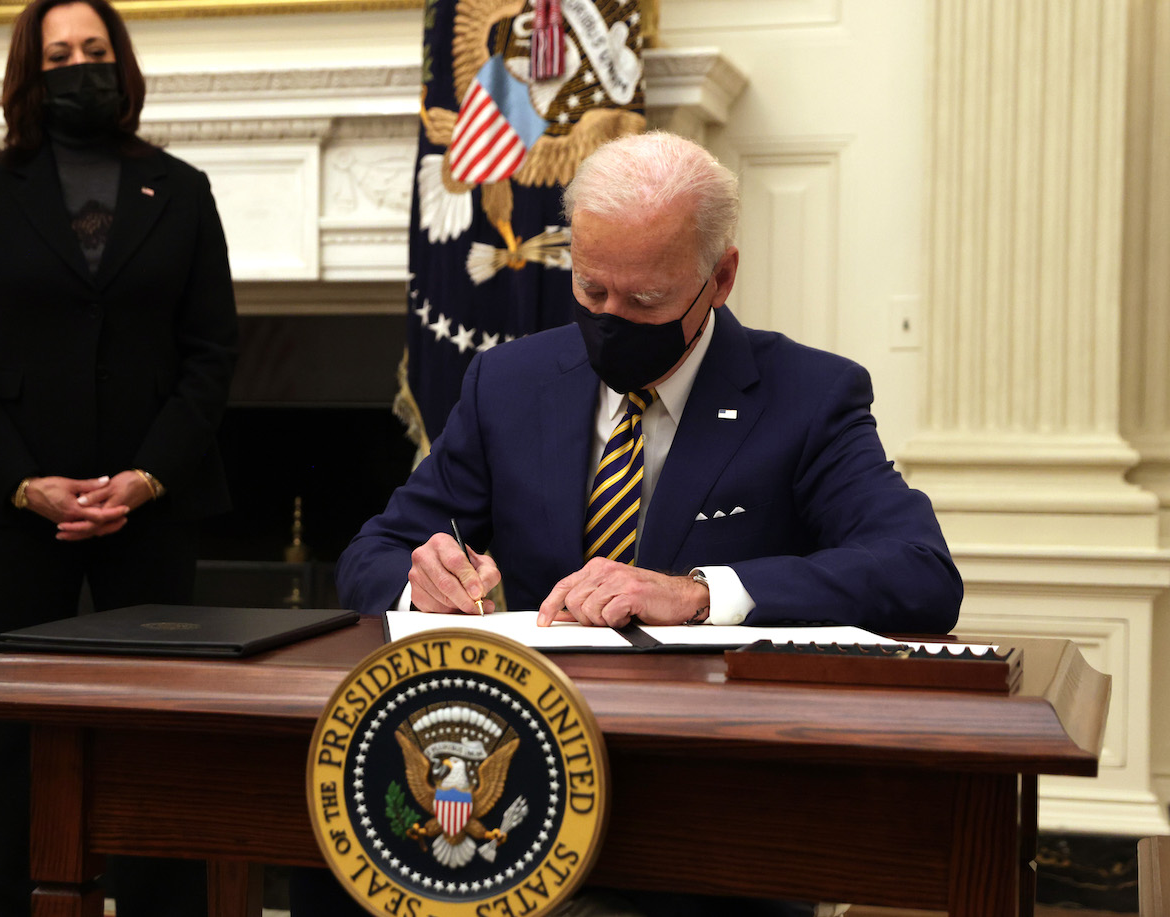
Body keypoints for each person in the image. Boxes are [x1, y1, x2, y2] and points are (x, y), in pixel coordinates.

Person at [302, 131, 962, 917]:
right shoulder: (508, 383)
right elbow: (372, 552)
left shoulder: (807, 397)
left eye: (644, 301)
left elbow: (920, 570)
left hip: (709, 805)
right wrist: (426, 583)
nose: (612, 319)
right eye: (591, 292)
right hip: (514, 776)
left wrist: (698, 593)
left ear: (720, 278)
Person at [0, 0, 236, 913]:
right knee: (18, 732)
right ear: (32, 71)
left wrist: (142, 478)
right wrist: (27, 485)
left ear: (122, 63)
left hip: (157, 499)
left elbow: (212, 355)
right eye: (59, 54)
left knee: (156, 726)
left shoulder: (181, 187)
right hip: (18, 509)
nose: (80, 66)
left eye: (95, 51)